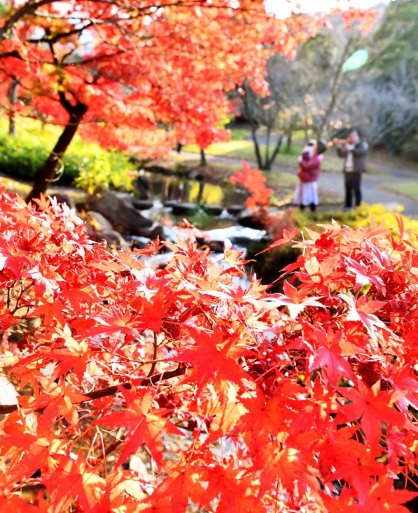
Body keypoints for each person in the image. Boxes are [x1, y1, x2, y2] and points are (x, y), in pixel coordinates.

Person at [336, 129, 368, 210]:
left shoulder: (361, 144)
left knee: (356, 188)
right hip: (347, 170)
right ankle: (348, 205)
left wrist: (349, 148)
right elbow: (341, 155)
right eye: (350, 137)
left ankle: (358, 205)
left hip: (356, 171)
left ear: (357, 136)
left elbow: (361, 152)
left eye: (353, 136)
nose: (351, 138)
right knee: (348, 188)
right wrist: (339, 148)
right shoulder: (349, 145)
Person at [294, 139, 323, 212]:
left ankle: (310, 208)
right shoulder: (313, 154)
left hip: (309, 178)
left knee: (309, 194)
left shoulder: (316, 157)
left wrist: (300, 161)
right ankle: (304, 207)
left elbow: (306, 166)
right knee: (305, 193)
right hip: (307, 177)